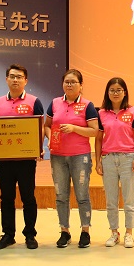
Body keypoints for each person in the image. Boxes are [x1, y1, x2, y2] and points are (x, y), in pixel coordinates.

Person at [0, 64, 44, 250]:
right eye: (12, 76)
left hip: (26, 161)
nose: (15, 80)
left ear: (25, 81)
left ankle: (30, 234)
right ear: (6, 79)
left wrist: (38, 148)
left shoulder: (34, 101)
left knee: (28, 197)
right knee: (6, 198)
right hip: (4, 161)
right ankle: (8, 235)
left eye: (19, 77)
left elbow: (39, 128)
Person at [45, 69, 98, 249]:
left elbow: (95, 131)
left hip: (80, 156)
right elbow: (47, 126)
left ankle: (85, 231)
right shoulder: (54, 103)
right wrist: (50, 138)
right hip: (57, 156)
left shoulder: (87, 105)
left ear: (81, 85)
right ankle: (64, 231)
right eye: (66, 82)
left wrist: (74, 128)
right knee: (61, 195)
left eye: (73, 82)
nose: (69, 85)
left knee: (82, 195)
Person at [95, 78, 134, 248]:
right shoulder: (101, 113)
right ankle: (114, 232)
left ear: (125, 92)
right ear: (107, 93)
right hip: (108, 159)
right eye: (112, 90)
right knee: (111, 199)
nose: (115, 93)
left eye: (119, 90)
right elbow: (98, 139)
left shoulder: (133, 111)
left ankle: (129, 233)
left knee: (129, 198)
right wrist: (98, 160)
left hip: (128, 158)